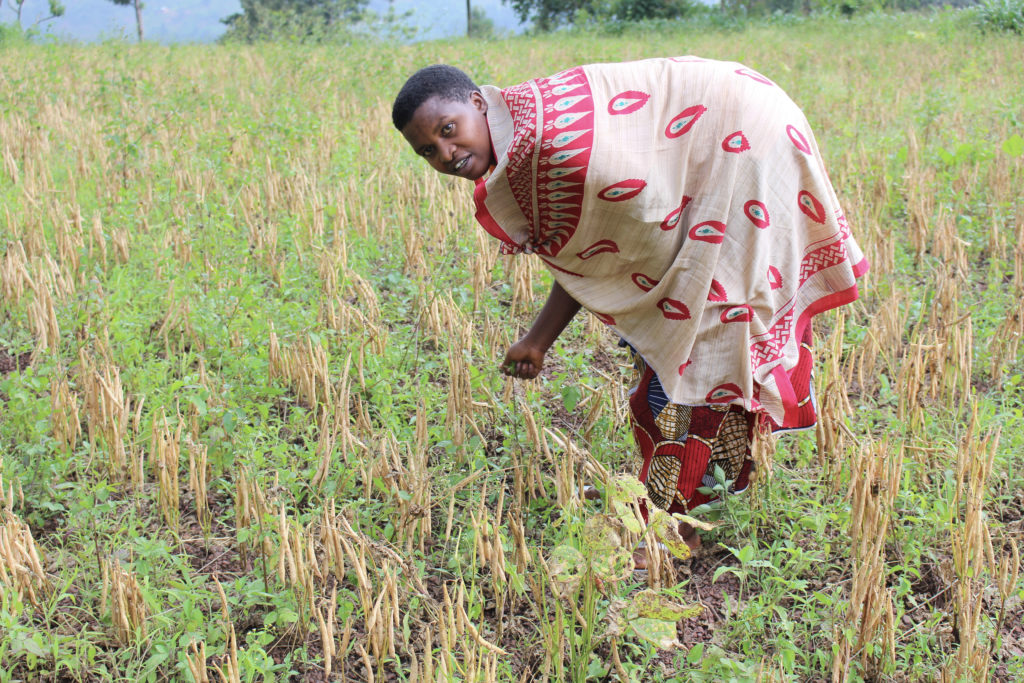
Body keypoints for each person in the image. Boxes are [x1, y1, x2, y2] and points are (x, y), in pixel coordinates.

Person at [392, 58, 868, 550]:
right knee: (682, 341)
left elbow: (639, 233)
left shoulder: (547, 147)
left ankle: (673, 527)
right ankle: (705, 494)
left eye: (449, 131)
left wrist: (549, 338)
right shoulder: (518, 129)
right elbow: (602, 247)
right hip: (735, 122)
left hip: (744, 138)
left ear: (477, 103)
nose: (447, 153)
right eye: (428, 149)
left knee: (696, 347)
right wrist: (539, 340)